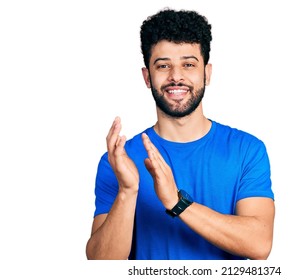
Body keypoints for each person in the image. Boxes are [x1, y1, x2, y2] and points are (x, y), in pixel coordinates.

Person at [86, 8, 275, 260]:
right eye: (163, 66)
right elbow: (100, 264)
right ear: (147, 77)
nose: (176, 77)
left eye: (188, 64)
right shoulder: (120, 160)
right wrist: (127, 191)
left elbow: (259, 244)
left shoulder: (247, 151)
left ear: (206, 73)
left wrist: (178, 203)